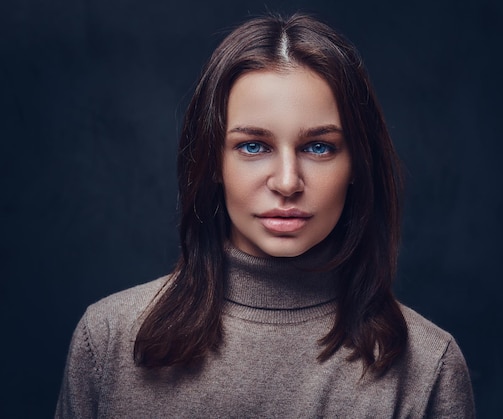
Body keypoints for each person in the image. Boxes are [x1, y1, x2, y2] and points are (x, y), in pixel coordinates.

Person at [56, 13, 475, 418]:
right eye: (254, 146)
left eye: (319, 147)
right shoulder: (108, 340)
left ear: (357, 167)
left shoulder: (426, 366)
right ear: (212, 163)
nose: (288, 182)